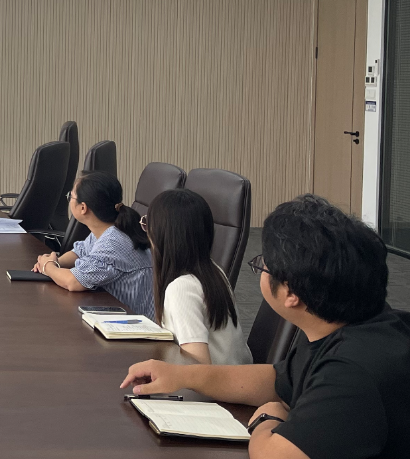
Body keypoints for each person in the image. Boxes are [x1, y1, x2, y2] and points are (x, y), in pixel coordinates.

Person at [121, 195, 410, 459]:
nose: (260, 269)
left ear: (290, 293)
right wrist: (181, 375)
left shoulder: (352, 372)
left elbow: (274, 454)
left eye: (262, 265)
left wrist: (267, 418)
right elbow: (276, 380)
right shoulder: (345, 325)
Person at [144, 188, 251, 365]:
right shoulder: (214, 271)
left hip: (213, 381)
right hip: (235, 376)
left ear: (161, 234)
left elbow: (198, 365)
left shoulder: (181, 288)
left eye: (147, 225)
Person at [31, 171, 154, 319]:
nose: (69, 199)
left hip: (133, 325)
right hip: (116, 315)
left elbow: (73, 282)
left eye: (71, 196)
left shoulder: (113, 241)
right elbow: (80, 251)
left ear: (83, 208)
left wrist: (48, 266)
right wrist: (57, 261)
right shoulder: (109, 229)